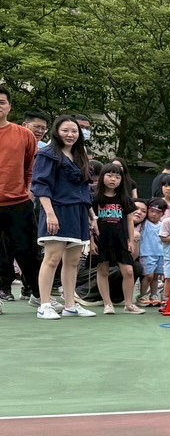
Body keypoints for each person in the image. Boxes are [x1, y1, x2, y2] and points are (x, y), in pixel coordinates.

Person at [31, 115, 99, 319]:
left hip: (78, 213)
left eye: (74, 131)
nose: (70, 135)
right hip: (57, 210)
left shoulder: (80, 156)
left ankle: (70, 305)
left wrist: (92, 216)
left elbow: (84, 188)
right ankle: (44, 305)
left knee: (74, 260)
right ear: (56, 132)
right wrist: (50, 213)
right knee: (52, 258)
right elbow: (41, 185)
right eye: (65, 131)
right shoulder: (47, 154)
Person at [0, 86, 43, 308]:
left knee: (28, 252)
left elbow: (31, 168)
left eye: (1, 102)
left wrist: (29, 190)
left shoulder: (24, 134)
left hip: (18, 203)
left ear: (9, 107)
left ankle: (38, 294)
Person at [92, 162, 145, 314]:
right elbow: (90, 221)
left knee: (128, 271)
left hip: (121, 240)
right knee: (103, 271)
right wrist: (91, 241)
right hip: (101, 240)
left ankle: (129, 304)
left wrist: (131, 240)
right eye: (109, 175)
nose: (113, 179)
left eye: (117, 176)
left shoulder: (125, 199)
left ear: (122, 179)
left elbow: (129, 221)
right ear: (102, 177)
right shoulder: (95, 198)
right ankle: (107, 304)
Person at [139, 200, 166, 306]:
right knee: (148, 275)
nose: (154, 214)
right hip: (146, 253)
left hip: (160, 253)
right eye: (151, 211)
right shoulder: (143, 223)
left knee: (155, 276)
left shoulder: (163, 224)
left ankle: (153, 295)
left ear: (162, 214)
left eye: (158, 212)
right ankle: (142, 295)